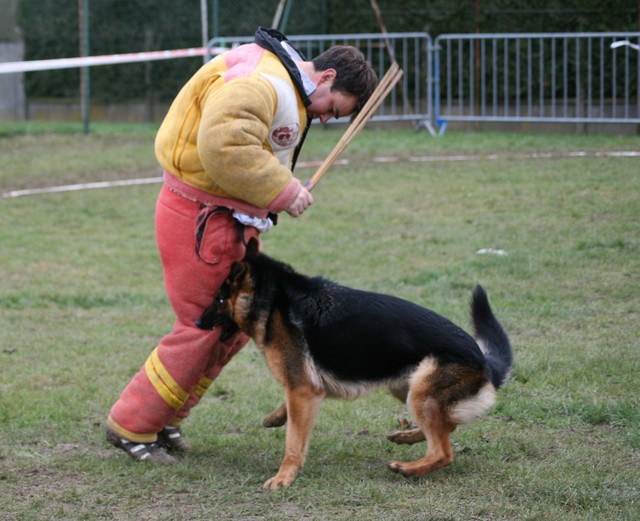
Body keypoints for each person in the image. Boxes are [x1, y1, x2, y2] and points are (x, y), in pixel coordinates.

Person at [105, 27, 378, 463]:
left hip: (226, 220)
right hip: (200, 217)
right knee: (204, 325)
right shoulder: (262, 81)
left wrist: (271, 193)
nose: (327, 119)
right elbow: (225, 145)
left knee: (234, 326)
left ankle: (167, 416)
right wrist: (283, 191)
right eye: (332, 109)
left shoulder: (279, 82)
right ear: (326, 77)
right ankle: (132, 426)